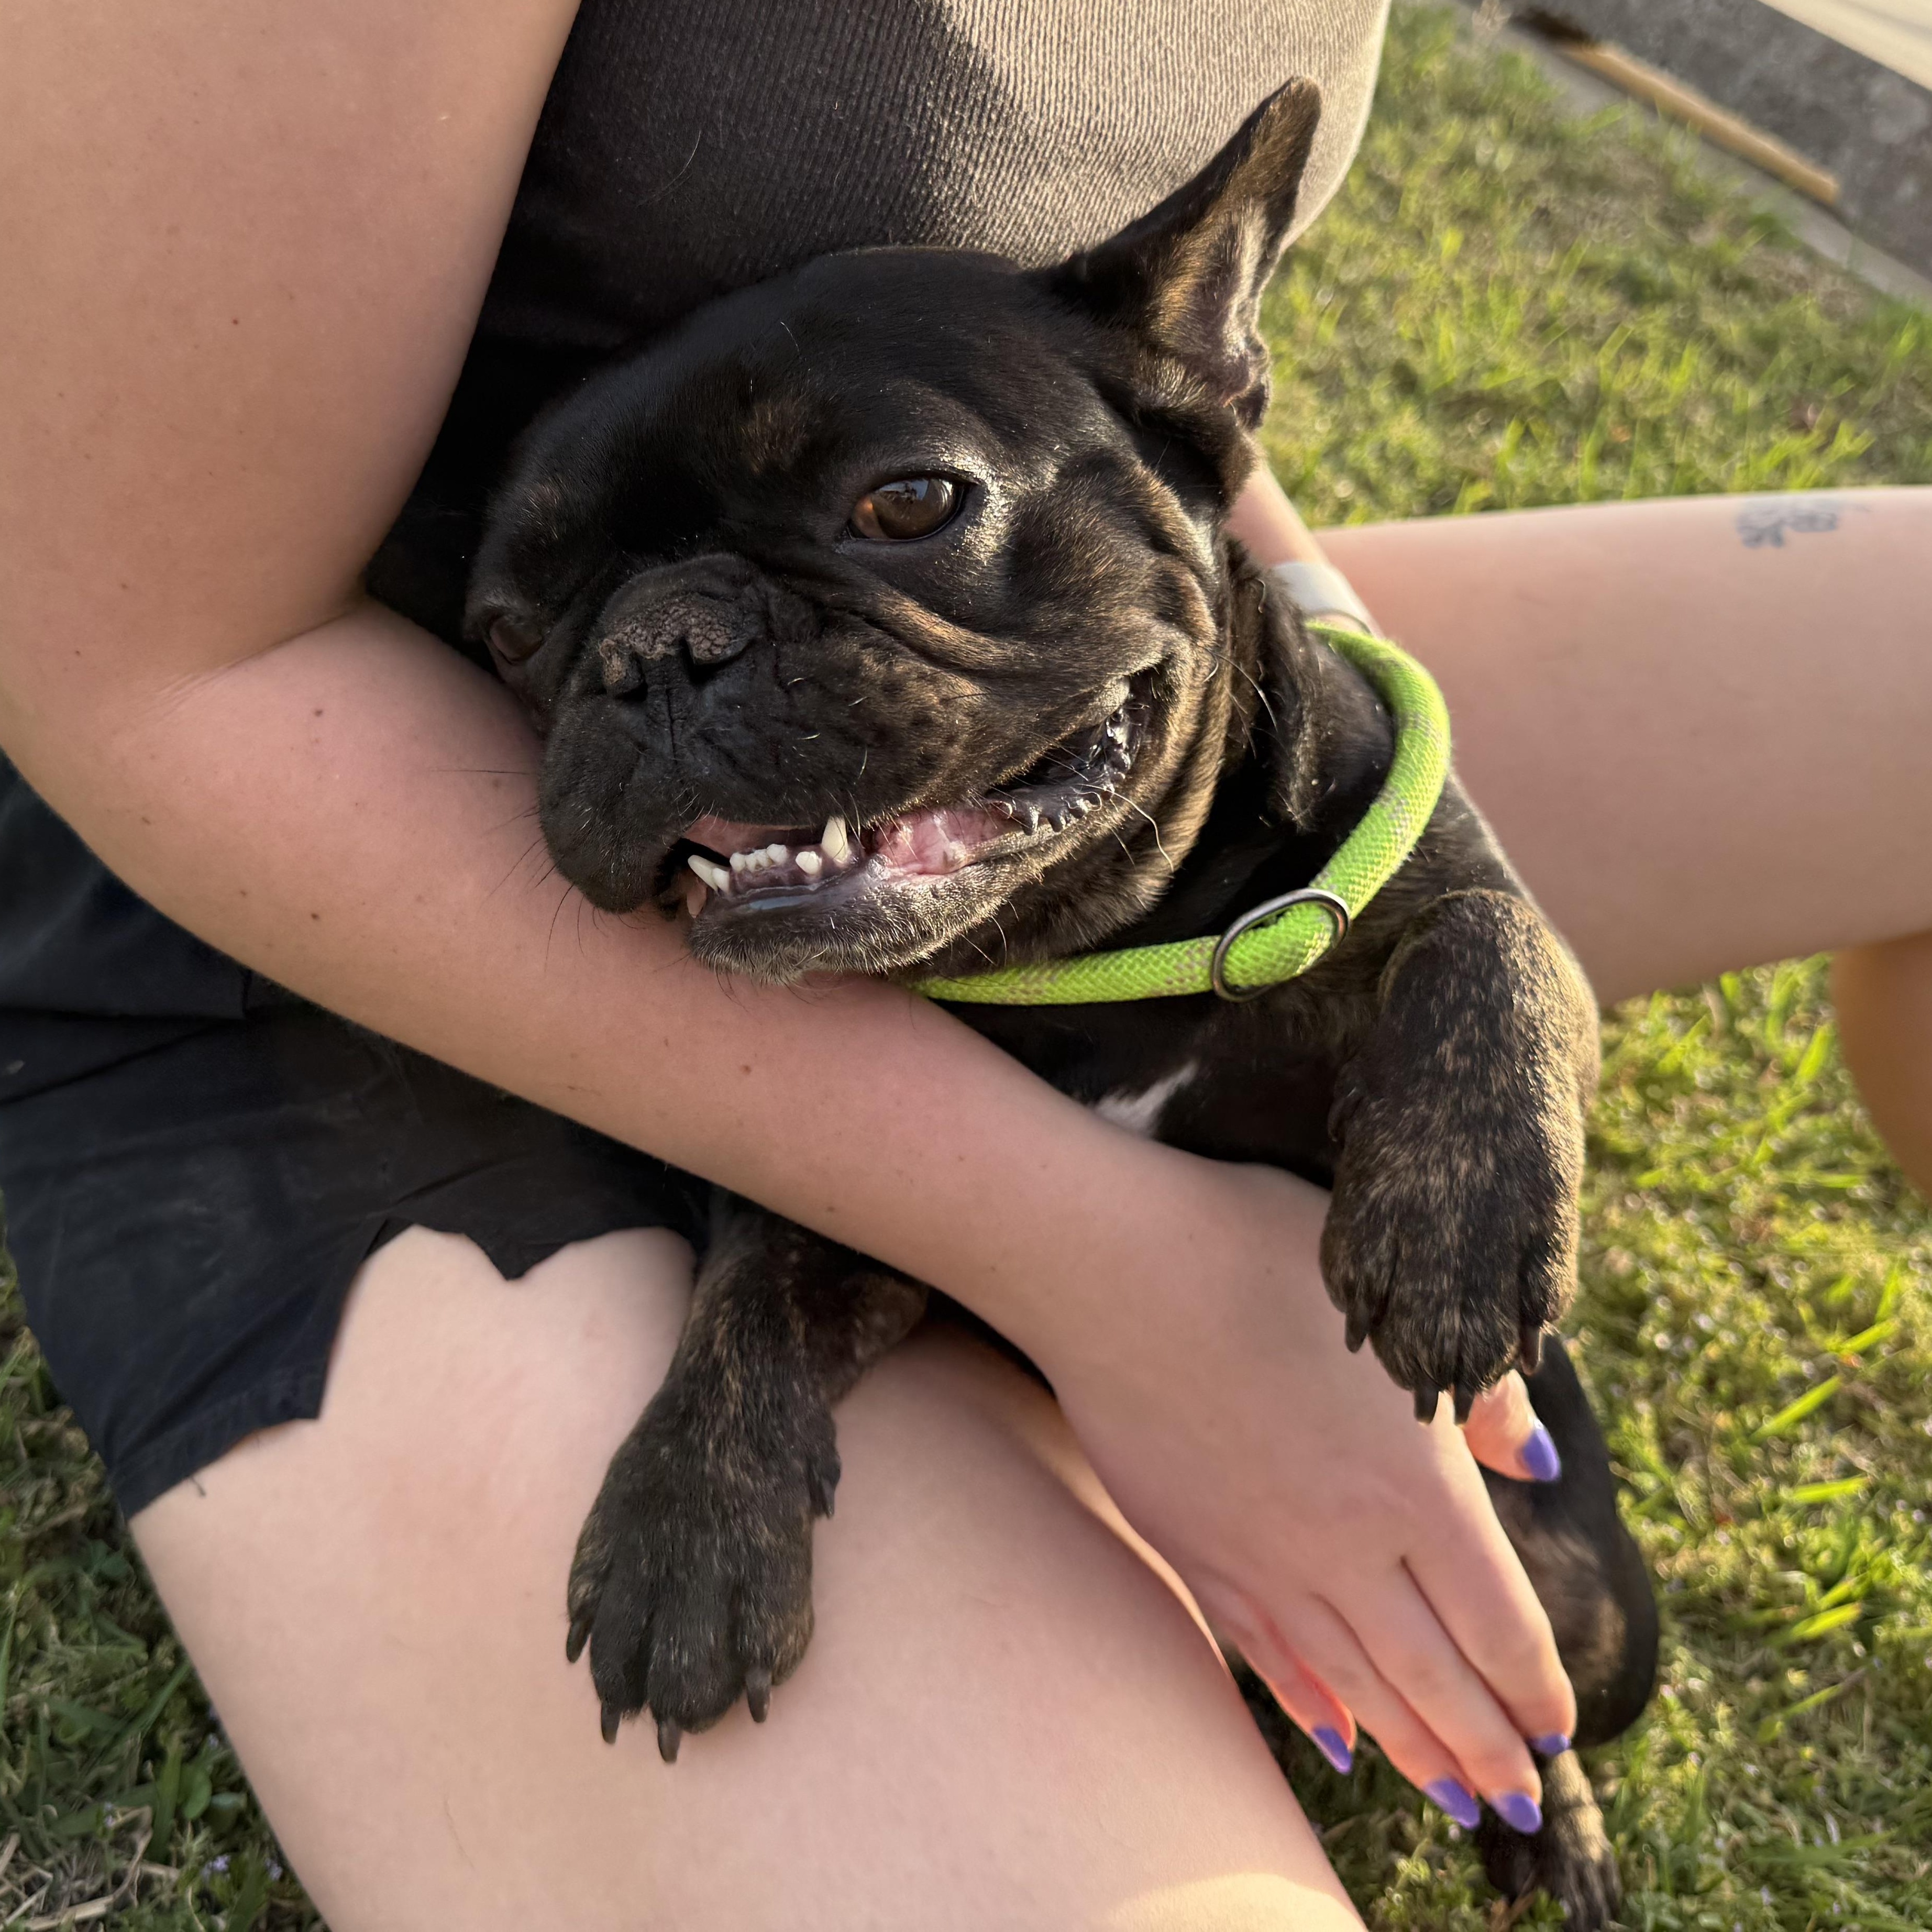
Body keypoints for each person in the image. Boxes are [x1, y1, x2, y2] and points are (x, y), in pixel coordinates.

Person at [2, 4, 1926, 1926]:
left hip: (937, 764)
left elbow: (1119, 369)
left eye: (904, 504)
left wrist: (1334, 706)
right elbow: (146, 664)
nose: (683, 652)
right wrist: (1117, 1274)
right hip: (345, 893)